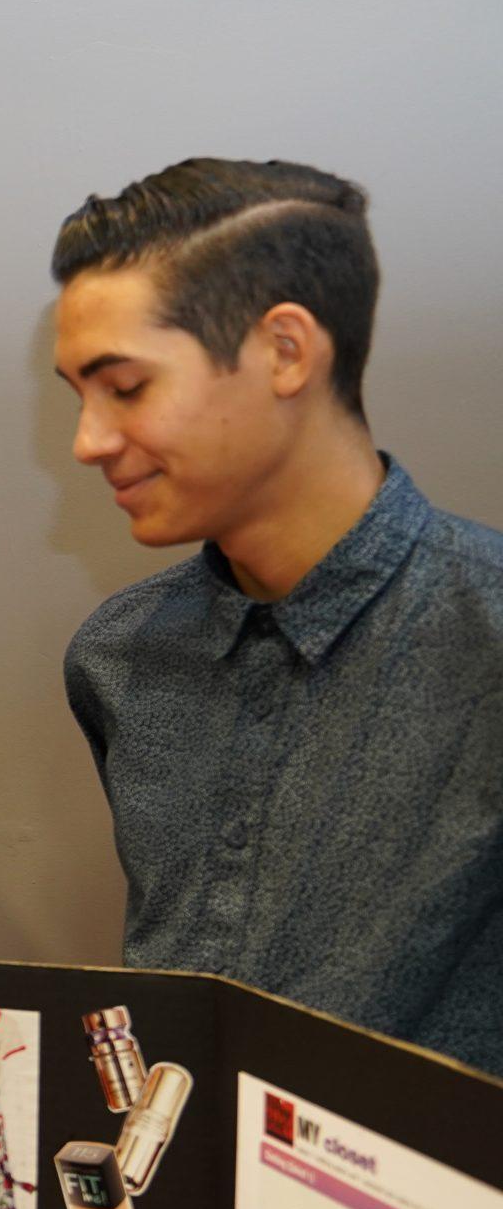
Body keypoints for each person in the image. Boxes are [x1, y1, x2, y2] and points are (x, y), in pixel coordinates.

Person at [54, 158, 503, 1077]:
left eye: (126, 387)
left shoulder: (485, 636)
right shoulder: (119, 655)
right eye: (78, 395)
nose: (88, 441)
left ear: (287, 352)